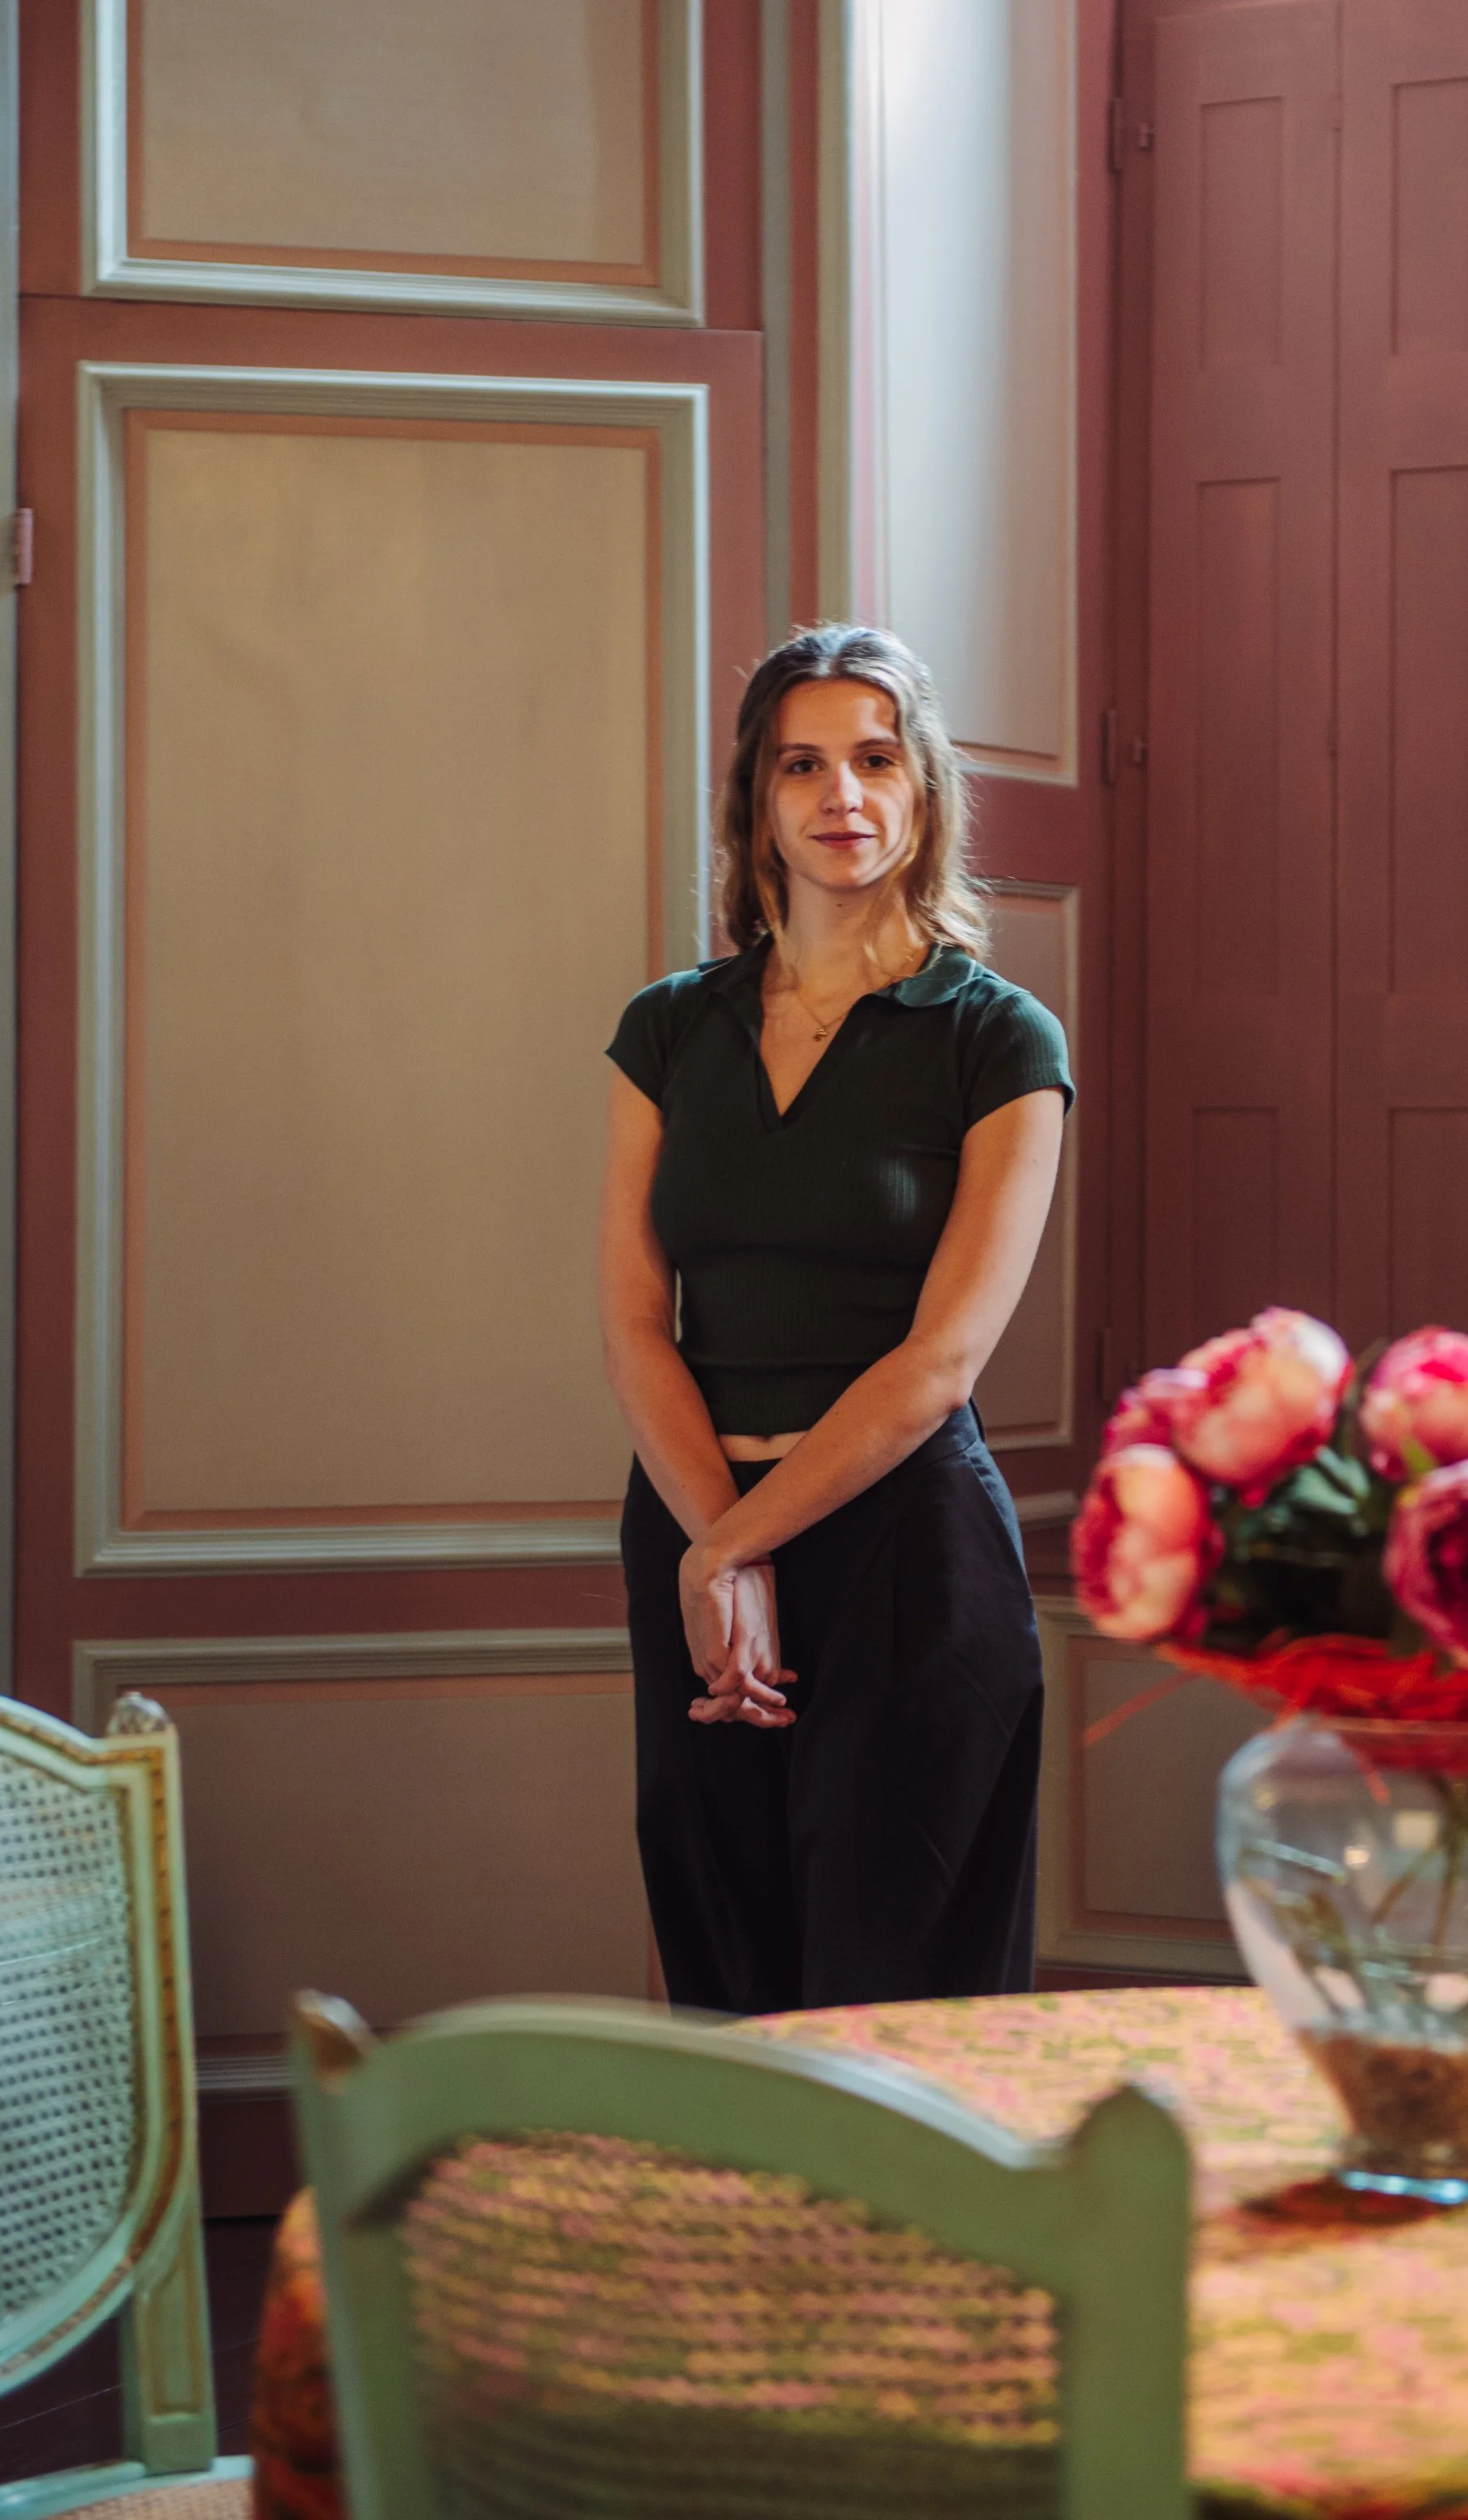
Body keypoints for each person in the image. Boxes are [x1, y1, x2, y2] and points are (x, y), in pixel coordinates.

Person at [598, 625, 1073, 2014]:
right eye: (802, 765)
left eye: (875, 760)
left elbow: (942, 1361)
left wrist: (734, 1552)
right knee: (726, 1956)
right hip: (686, 1515)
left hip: (903, 1551)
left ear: (924, 791)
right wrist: (710, 1545)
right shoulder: (668, 1032)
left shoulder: (999, 1039)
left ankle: (911, 2247)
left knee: (896, 1995)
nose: (840, 795)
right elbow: (635, 1319)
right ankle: (745, 2246)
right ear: (758, 799)